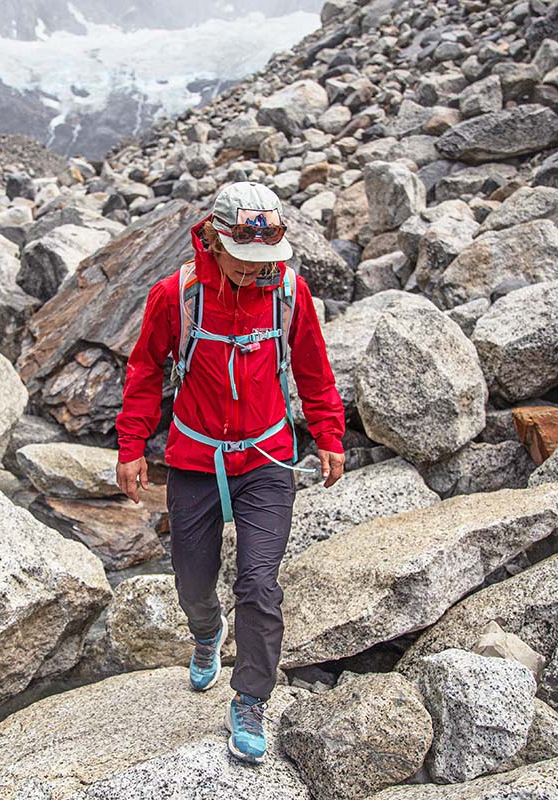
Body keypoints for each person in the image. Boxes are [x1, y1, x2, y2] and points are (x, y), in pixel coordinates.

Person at [115, 181, 346, 764]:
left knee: (260, 583)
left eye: (265, 261)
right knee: (193, 579)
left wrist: (328, 436)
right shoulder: (178, 295)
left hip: (267, 459)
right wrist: (132, 445)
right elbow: (145, 370)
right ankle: (205, 633)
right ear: (214, 242)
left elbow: (315, 370)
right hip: (194, 459)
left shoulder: (289, 292)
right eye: (244, 262)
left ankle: (249, 698)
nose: (256, 272)